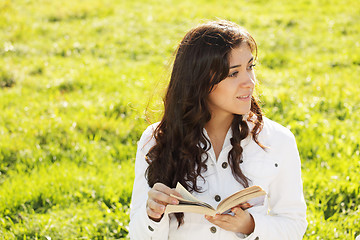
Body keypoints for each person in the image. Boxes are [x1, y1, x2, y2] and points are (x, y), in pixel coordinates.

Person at [129, 20, 307, 239]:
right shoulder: (156, 139)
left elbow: (294, 226)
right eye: (233, 74)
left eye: (250, 67)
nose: (249, 82)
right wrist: (152, 215)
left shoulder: (278, 140)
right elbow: (137, 235)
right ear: (200, 80)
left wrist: (251, 226)